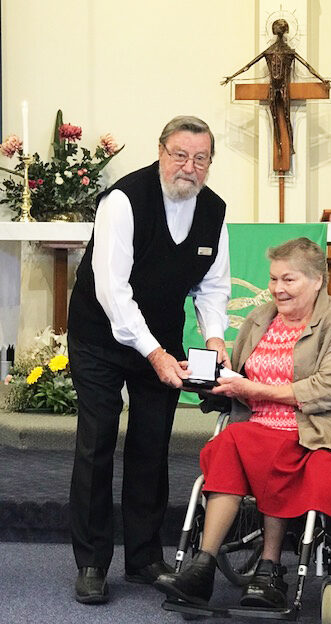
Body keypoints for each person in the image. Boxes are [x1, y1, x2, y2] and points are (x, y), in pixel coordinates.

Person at [67, 115, 231, 604]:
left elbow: (213, 284)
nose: (190, 167)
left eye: (201, 158)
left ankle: (142, 557)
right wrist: (155, 353)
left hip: (160, 336)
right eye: (180, 155)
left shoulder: (214, 210)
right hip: (100, 335)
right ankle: (93, 562)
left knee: (151, 443)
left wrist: (216, 336)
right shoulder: (122, 200)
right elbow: (112, 290)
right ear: (161, 152)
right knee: (96, 441)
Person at [154, 237, 331, 609]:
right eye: (273, 280)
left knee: (258, 448)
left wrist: (256, 388)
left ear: (318, 280)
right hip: (255, 423)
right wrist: (209, 378)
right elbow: (238, 374)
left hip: (314, 428)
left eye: (289, 280)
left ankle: (269, 567)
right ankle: (202, 566)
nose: (277, 290)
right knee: (227, 446)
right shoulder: (260, 317)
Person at [221, 19, 330, 159]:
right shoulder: (277, 51)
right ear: (285, 31)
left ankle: (288, 146)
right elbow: (249, 65)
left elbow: (307, 66)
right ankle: (283, 147)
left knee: (282, 117)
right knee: (280, 117)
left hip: (282, 87)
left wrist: (231, 77)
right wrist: (231, 77)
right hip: (275, 87)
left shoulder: (283, 52)